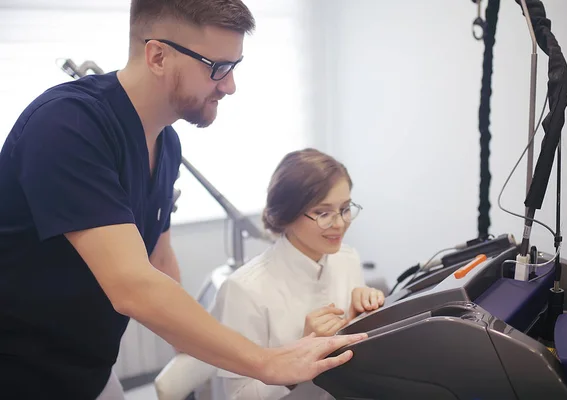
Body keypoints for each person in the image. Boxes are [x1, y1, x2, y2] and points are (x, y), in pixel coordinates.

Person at [0, 1, 366, 399]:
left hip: (89, 370)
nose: (229, 86)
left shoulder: (166, 143)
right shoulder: (68, 126)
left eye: (234, 68)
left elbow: (158, 261)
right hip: (20, 371)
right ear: (157, 56)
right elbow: (132, 286)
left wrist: (191, 352)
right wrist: (267, 362)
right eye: (217, 68)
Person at [211, 148, 386, 400]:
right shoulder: (243, 289)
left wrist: (366, 318)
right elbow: (238, 395)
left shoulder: (347, 258)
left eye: (345, 208)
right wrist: (301, 355)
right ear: (286, 213)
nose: (339, 223)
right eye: (322, 213)